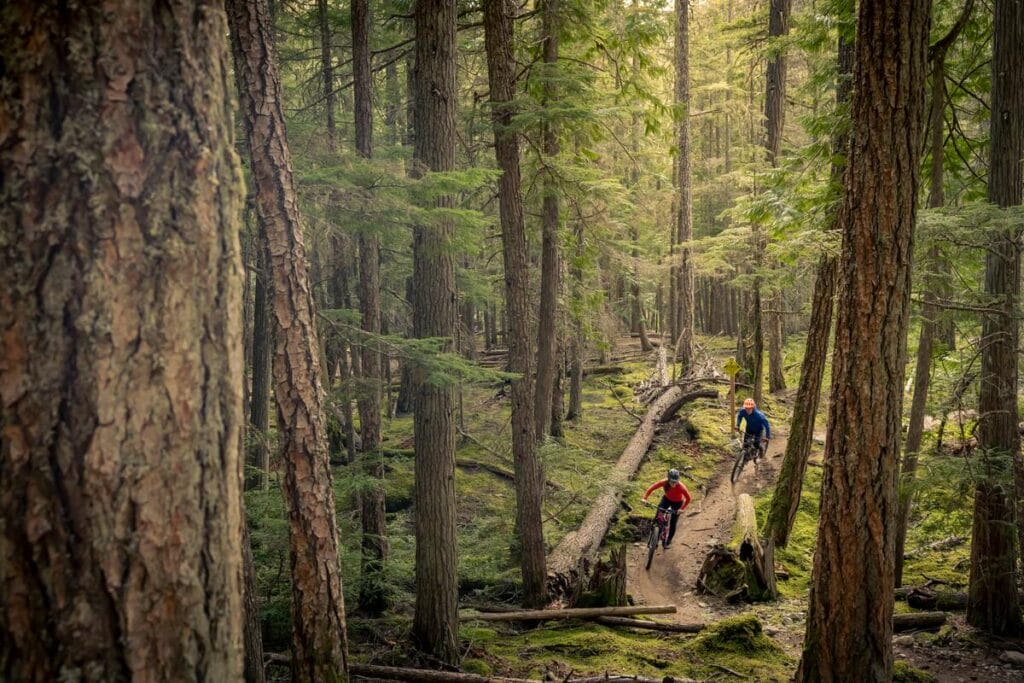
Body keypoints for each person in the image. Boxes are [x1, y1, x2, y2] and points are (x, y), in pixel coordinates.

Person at [641, 468, 692, 548]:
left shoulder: (681, 487)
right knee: (659, 514)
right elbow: (652, 488)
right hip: (666, 499)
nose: (674, 484)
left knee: (673, 522)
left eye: (676, 482)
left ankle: (668, 540)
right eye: (672, 481)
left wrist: (681, 509)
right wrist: (645, 498)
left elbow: (688, 499)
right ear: (668, 479)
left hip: (677, 503)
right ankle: (655, 536)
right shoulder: (664, 482)